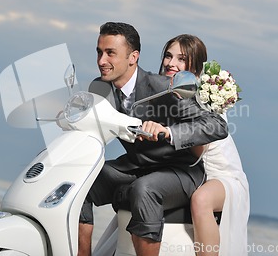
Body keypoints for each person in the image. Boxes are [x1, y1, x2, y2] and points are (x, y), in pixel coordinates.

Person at [78, 23, 229, 256]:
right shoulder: (101, 89)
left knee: (144, 189)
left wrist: (169, 132)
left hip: (179, 170)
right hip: (137, 165)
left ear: (133, 57)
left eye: (110, 53)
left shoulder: (165, 88)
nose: (101, 61)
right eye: (99, 52)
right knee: (81, 181)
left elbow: (216, 125)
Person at [159, 34, 250, 256]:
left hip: (222, 177)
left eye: (181, 59)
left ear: (195, 65)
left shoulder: (204, 96)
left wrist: (170, 129)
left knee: (201, 200)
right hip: (190, 173)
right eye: (168, 56)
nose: (171, 63)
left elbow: (198, 150)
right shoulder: (160, 93)